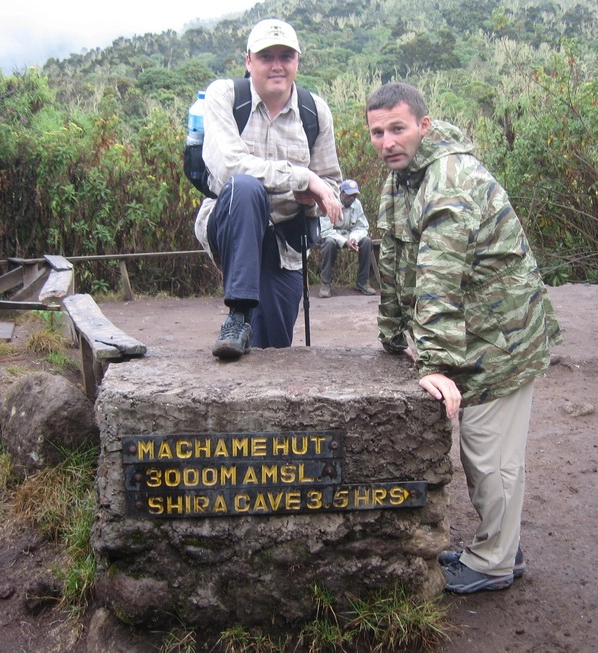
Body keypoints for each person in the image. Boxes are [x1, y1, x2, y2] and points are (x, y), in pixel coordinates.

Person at [365, 82, 561, 594]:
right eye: (377, 132)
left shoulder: (448, 180)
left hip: (503, 337)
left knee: (489, 455)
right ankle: (500, 543)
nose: (387, 141)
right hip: (473, 330)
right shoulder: (401, 178)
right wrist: (390, 334)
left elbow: (439, 274)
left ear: (423, 126)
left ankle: (495, 562)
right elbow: (393, 259)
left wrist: (432, 362)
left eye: (398, 129)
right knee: (484, 452)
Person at [193, 18, 342, 359]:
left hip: (286, 242)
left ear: (297, 61)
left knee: (273, 349)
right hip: (230, 222)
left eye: (286, 56)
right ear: (249, 61)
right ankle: (239, 314)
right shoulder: (225, 95)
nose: (277, 65)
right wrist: (302, 178)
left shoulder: (314, 111)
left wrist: (315, 200)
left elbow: (329, 183)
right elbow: (230, 167)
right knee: (246, 187)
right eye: (266, 56)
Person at [318, 179, 377, 298]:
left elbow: (362, 226)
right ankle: (326, 284)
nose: (352, 198)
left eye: (354, 195)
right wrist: (345, 242)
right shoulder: (330, 203)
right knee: (329, 243)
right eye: (349, 195)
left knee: (366, 241)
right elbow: (326, 230)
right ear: (342, 193)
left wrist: (354, 238)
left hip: (350, 236)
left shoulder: (357, 204)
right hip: (332, 236)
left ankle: (362, 282)